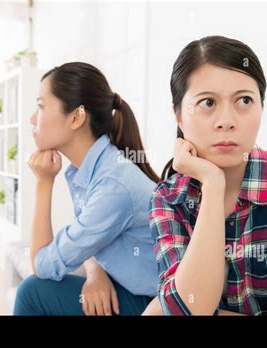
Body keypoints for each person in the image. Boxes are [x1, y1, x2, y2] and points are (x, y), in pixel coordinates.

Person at [144, 36, 267, 316]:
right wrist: (212, 185)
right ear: (178, 114)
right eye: (208, 102)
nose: (227, 120)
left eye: (244, 100)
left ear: (261, 106)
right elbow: (189, 307)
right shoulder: (168, 198)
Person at [13, 62, 159, 316]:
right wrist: (95, 270)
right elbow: (89, 237)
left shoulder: (112, 186)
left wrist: (43, 183)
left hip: (154, 303)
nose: (32, 119)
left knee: (31, 291)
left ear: (77, 117)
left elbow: (41, 264)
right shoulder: (97, 168)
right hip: (129, 288)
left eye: (40, 106)